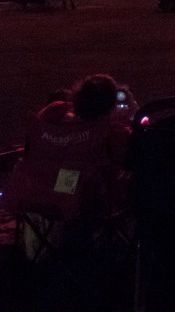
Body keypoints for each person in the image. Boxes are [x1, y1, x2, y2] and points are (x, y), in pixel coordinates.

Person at [8, 73, 133, 250]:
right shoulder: (107, 132)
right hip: (77, 204)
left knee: (69, 177)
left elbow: (32, 147)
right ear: (109, 106)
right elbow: (123, 162)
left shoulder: (51, 115)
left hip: (35, 194)